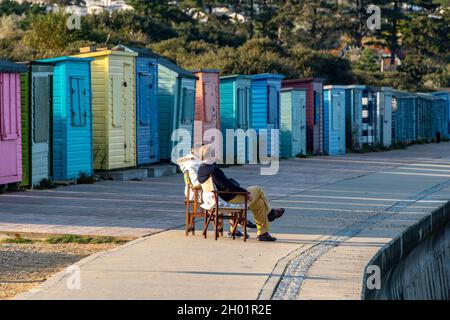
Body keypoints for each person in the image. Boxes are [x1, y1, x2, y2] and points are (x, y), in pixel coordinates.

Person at [196, 144, 284, 241]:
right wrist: (245, 192)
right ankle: (270, 213)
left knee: (259, 203)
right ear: (211, 154)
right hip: (230, 199)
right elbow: (228, 187)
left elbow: (225, 185)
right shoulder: (213, 170)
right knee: (258, 189)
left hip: (221, 198)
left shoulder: (202, 169)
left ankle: (263, 233)